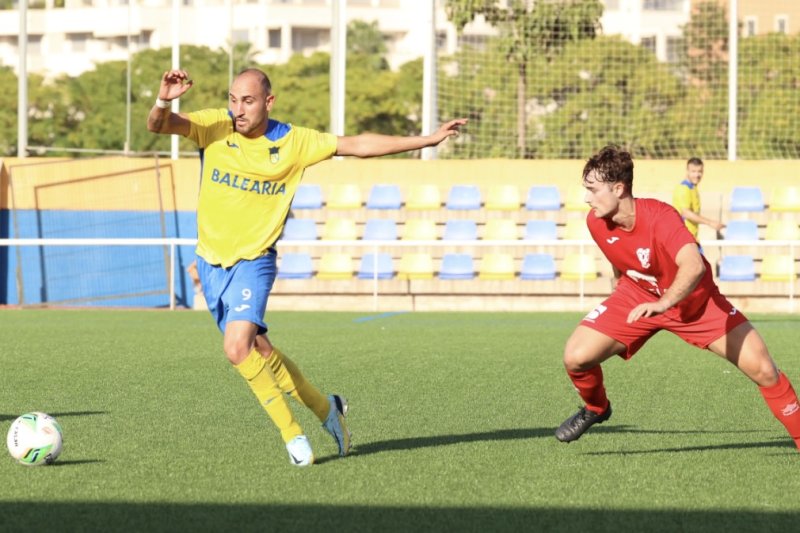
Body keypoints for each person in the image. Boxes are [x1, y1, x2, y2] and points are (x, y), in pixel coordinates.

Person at [147, 67, 467, 466]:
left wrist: (428, 139)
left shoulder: (295, 142)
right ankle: (327, 409)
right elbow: (159, 125)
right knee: (259, 351)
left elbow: (359, 145)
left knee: (235, 349)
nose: (238, 109)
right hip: (211, 262)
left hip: (255, 261)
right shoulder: (214, 125)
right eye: (233, 99)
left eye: (247, 101)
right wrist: (163, 98)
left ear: (269, 101)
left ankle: (292, 435)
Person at [555, 145, 800, 450]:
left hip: (695, 304)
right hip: (636, 296)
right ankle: (596, 408)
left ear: (618, 188)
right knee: (576, 357)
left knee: (764, 370)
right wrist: (621, 290)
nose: (587, 198)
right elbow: (619, 256)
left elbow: (694, 265)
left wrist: (663, 303)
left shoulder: (660, 217)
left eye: (592, 189)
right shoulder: (596, 222)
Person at [672, 157, 725, 241]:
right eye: (693, 171)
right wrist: (710, 223)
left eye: (700, 171)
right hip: (683, 240)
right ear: (687, 171)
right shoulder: (683, 189)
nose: (697, 175)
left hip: (692, 238)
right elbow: (686, 213)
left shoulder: (693, 188)